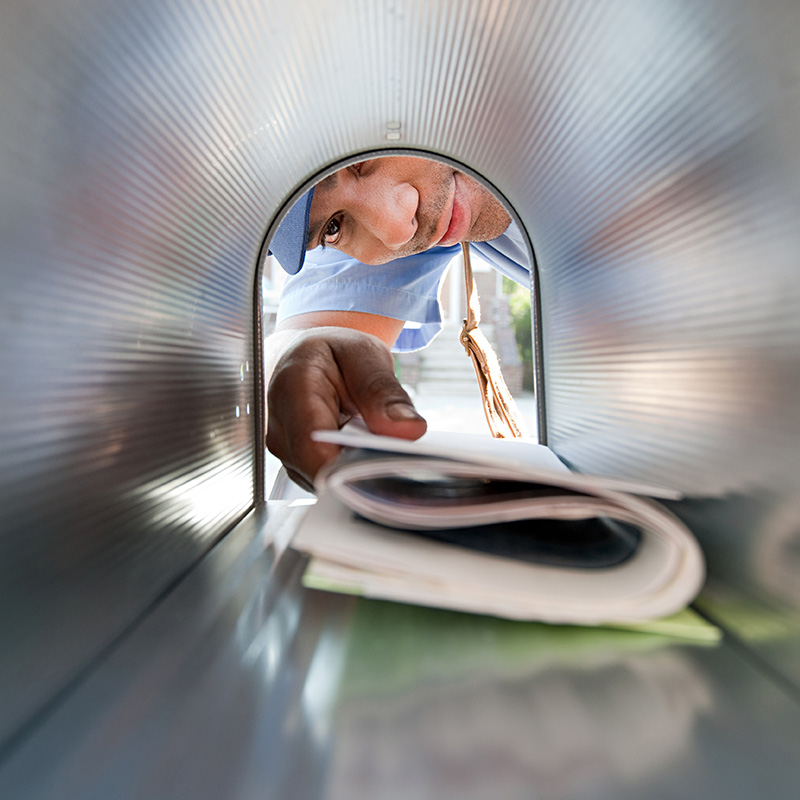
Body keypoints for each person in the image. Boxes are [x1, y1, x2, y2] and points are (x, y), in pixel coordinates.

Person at [266, 155, 531, 490]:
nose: (397, 231)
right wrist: (293, 361)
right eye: (333, 227)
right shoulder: (426, 184)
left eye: (359, 160)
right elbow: (303, 345)